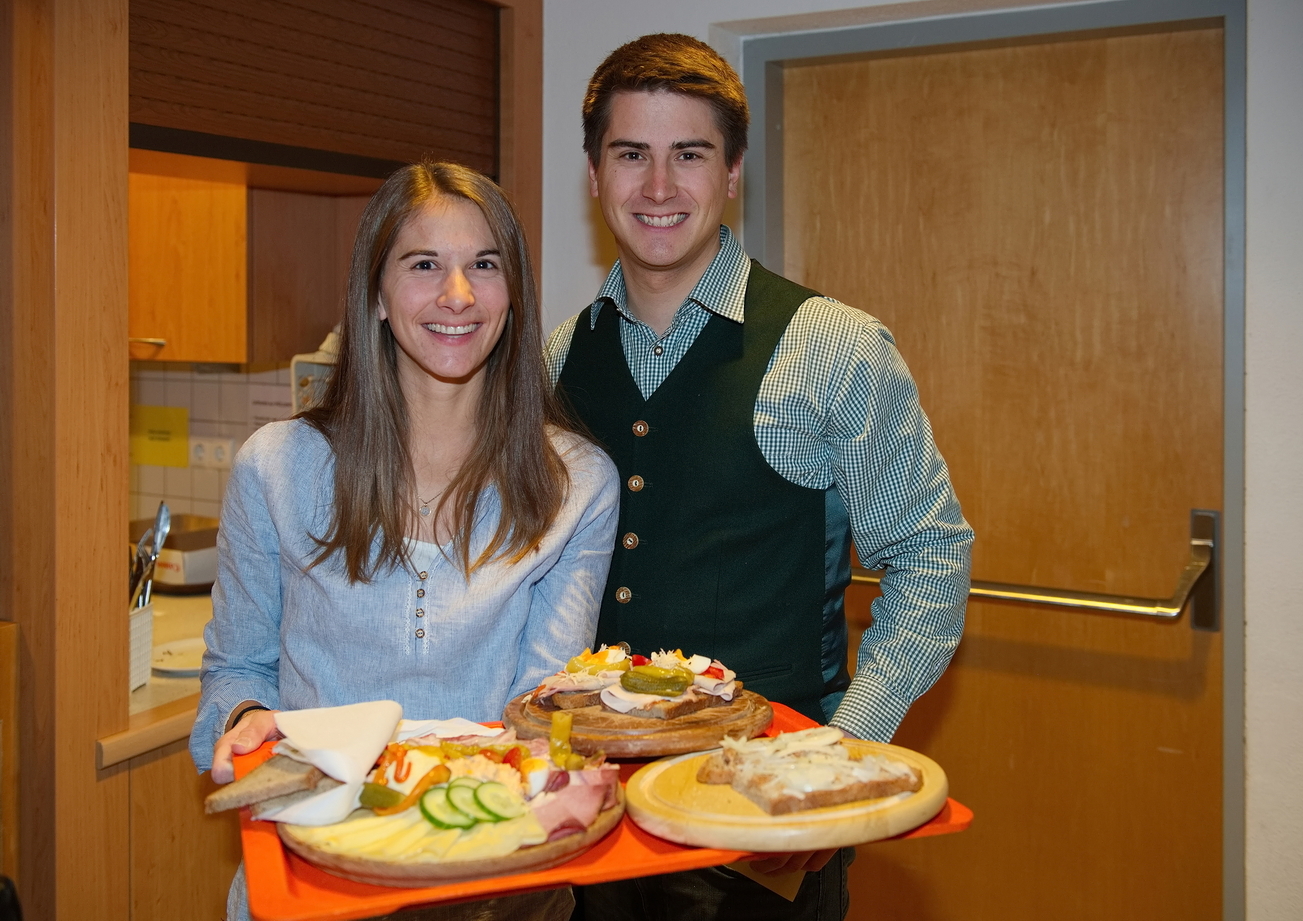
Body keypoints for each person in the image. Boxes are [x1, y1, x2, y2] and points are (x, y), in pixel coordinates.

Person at [547, 34, 974, 921]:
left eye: (688, 154)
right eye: (630, 154)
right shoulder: (556, 356)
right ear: (593, 174)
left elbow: (930, 555)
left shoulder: (833, 346)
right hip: (585, 825)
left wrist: (838, 755)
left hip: (761, 835)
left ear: (732, 171)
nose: (657, 186)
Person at [190, 160, 620, 920]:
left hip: (498, 886)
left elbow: (541, 712)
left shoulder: (577, 484)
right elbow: (237, 670)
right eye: (423, 264)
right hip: (315, 880)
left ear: (513, 294)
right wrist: (241, 719)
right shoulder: (278, 467)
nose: (457, 294)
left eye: (484, 264)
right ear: (377, 296)